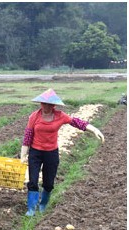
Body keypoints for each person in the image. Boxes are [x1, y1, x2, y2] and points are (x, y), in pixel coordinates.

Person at [20, 88, 105, 216]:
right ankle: (31, 208)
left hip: (51, 153)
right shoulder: (34, 116)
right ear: (40, 104)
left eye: (49, 104)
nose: (46, 107)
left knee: (48, 182)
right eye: (43, 104)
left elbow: (76, 122)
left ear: (53, 105)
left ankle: (43, 205)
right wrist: (23, 156)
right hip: (35, 152)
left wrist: (93, 129)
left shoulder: (60, 116)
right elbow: (28, 136)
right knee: (32, 180)